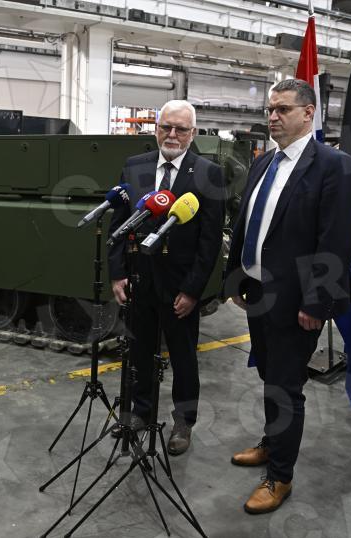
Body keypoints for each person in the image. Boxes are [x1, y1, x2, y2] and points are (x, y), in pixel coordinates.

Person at [224, 79, 351, 514]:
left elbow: (335, 240)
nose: (272, 117)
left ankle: (280, 476)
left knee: (286, 387)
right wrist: (236, 281)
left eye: (282, 109)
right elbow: (247, 223)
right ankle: (272, 442)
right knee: (269, 375)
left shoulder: (334, 166)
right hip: (257, 292)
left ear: (308, 113)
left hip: (297, 301)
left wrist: (317, 303)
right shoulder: (265, 163)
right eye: (270, 109)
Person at [107, 100, 225, 455]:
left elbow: (209, 241)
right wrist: (117, 275)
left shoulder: (207, 173)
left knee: (183, 356)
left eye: (181, 129)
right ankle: (141, 412)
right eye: (166, 127)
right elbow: (118, 223)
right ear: (157, 128)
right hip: (139, 281)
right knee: (139, 350)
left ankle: (183, 422)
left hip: (180, 286)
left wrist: (193, 290)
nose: (172, 135)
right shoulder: (135, 166)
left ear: (193, 133)